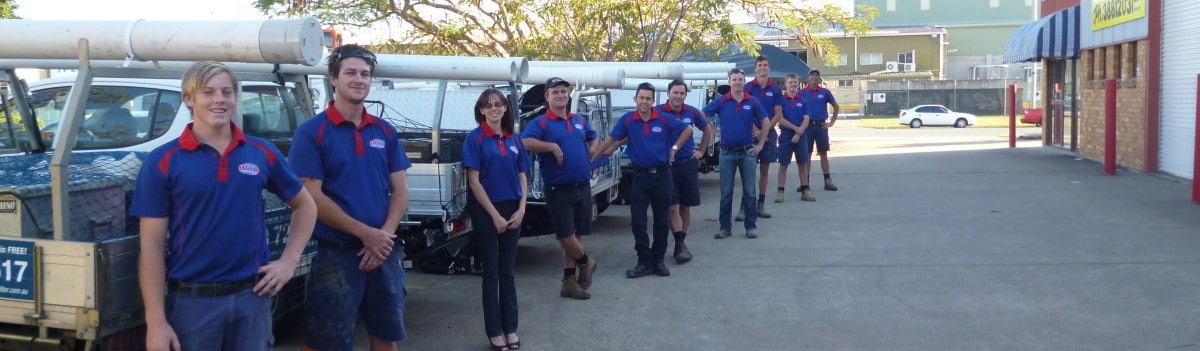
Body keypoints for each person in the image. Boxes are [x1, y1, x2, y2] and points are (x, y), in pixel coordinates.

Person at [133, 61, 317, 351]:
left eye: (227, 92)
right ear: (189, 99)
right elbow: (152, 246)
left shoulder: (260, 152)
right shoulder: (163, 161)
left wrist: (288, 263)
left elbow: (306, 206)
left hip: (252, 298)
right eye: (208, 92)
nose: (219, 99)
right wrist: (156, 322)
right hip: (192, 304)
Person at [289, 44, 412, 351]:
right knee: (326, 341)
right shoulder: (312, 132)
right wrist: (365, 234)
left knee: (386, 335)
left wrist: (382, 237)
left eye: (365, 74)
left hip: (383, 252)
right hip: (336, 255)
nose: (359, 79)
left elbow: (401, 189)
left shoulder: (384, 131)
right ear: (333, 79)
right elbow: (311, 196)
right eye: (351, 73)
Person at [594, 82, 692, 278]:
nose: (644, 101)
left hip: (663, 176)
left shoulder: (664, 119)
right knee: (638, 221)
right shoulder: (628, 120)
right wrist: (593, 156)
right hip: (639, 177)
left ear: (653, 100)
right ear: (635, 99)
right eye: (641, 98)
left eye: (648, 98)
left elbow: (687, 129)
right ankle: (644, 261)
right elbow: (612, 139)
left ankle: (658, 260)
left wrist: (674, 149)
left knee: (661, 220)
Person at [520, 77, 599, 300]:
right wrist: (551, 146)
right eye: (555, 92)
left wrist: (592, 149)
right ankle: (587, 262)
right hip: (558, 188)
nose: (561, 95)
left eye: (564, 91)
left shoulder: (578, 121)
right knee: (565, 236)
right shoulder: (541, 123)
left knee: (576, 235)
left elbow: (593, 137)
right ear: (547, 97)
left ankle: (569, 282)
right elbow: (524, 142)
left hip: (581, 186)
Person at [464, 88, 529, 351]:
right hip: (487, 211)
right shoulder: (475, 139)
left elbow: (523, 175)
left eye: (499, 104)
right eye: (488, 105)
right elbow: (473, 180)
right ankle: (494, 332)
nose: (494, 109)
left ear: (505, 108)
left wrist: (522, 209)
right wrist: (494, 216)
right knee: (491, 273)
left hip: (513, 208)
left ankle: (510, 328)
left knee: (508, 272)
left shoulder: (514, 138)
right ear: (481, 110)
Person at [703, 68, 770, 239]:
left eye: (740, 79)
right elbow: (703, 113)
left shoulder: (752, 101)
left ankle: (751, 227)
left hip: (748, 152)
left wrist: (761, 144)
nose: (738, 82)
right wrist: (712, 130)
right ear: (729, 81)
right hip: (727, 153)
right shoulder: (721, 101)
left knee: (750, 192)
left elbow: (765, 120)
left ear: (744, 81)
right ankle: (725, 227)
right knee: (726, 192)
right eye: (734, 79)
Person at [656, 78, 712, 264]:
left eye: (682, 93)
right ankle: (680, 244)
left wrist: (701, 151)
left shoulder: (692, 112)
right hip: (667, 166)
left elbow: (707, 130)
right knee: (673, 206)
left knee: (685, 206)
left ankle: (680, 244)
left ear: (686, 95)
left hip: (688, 164)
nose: (678, 96)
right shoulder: (658, 112)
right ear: (668, 93)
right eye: (675, 92)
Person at [742, 56, 784, 220]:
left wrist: (764, 132)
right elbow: (744, 112)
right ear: (755, 69)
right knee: (748, 170)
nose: (763, 68)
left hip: (769, 134)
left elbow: (778, 113)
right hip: (749, 133)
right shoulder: (747, 87)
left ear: (769, 68)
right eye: (760, 65)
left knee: (765, 169)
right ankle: (744, 205)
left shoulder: (775, 89)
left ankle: (761, 203)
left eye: (765, 65)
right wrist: (756, 130)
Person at [799, 70, 841, 196]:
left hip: (821, 126)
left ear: (819, 79)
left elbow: (836, 106)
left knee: (823, 153)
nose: (814, 78)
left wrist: (831, 122)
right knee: (807, 154)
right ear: (808, 78)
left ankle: (827, 180)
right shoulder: (802, 93)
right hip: (807, 127)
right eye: (812, 75)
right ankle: (805, 183)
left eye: (817, 76)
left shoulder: (825, 92)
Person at [775, 73, 812, 202]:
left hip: (801, 136)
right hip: (786, 136)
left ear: (798, 83)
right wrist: (795, 129)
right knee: (783, 164)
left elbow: (806, 118)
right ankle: (780, 192)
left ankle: (805, 190)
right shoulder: (780, 100)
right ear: (785, 84)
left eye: (795, 82)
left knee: (803, 163)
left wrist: (798, 133)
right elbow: (780, 118)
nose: (793, 84)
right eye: (790, 82)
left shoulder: (802, 101)